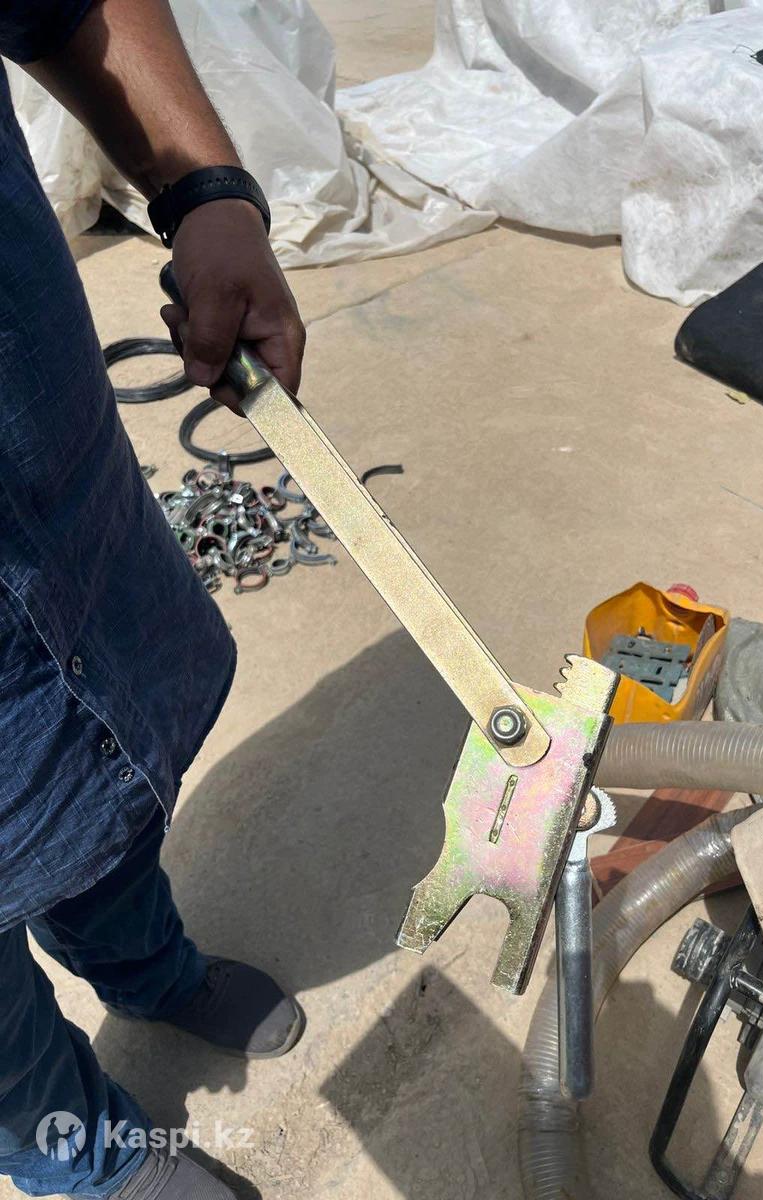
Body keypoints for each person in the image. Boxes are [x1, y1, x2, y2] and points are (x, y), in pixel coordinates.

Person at [0, 3, 308, 1198]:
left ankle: (147, 970)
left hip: (46, 472)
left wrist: (207, 194)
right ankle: (90, 1161)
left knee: (101, 780)